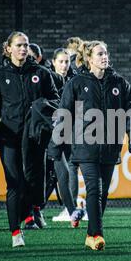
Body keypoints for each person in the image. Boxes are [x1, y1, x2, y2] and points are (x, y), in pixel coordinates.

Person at [48, 40, 131, 250]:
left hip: (110, 147)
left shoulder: (120, 83)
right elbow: (64, 115)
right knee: (94, 191)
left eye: (106, 53)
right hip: (85, 146)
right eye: (99, 54)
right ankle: (98, 234)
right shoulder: (76, 83)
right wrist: (55, 145)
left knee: (103, 193)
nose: (104, 57)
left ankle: (91, 234)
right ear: (89, 58)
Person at [0, 31, 59, 247]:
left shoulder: (42, 73)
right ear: (8, 48)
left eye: (26, 45)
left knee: (33, 183)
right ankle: (15, 232)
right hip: (9, 137)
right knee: (14, 183)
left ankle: (30, 211)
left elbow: (56, 99)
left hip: (35, 136)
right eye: (19, 45)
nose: (23, 48)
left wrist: (42, 108)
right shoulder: (0, 75)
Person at [47, 48, 85, 227]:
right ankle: (35, 210)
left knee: (67, 171)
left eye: (66, 62)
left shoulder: (74, 79)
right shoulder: (46, 78)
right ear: (53, 62)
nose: (64, 65)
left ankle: (71, 211)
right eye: (60, 61)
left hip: (70, 131)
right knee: (47, 176)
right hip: (50, 133)